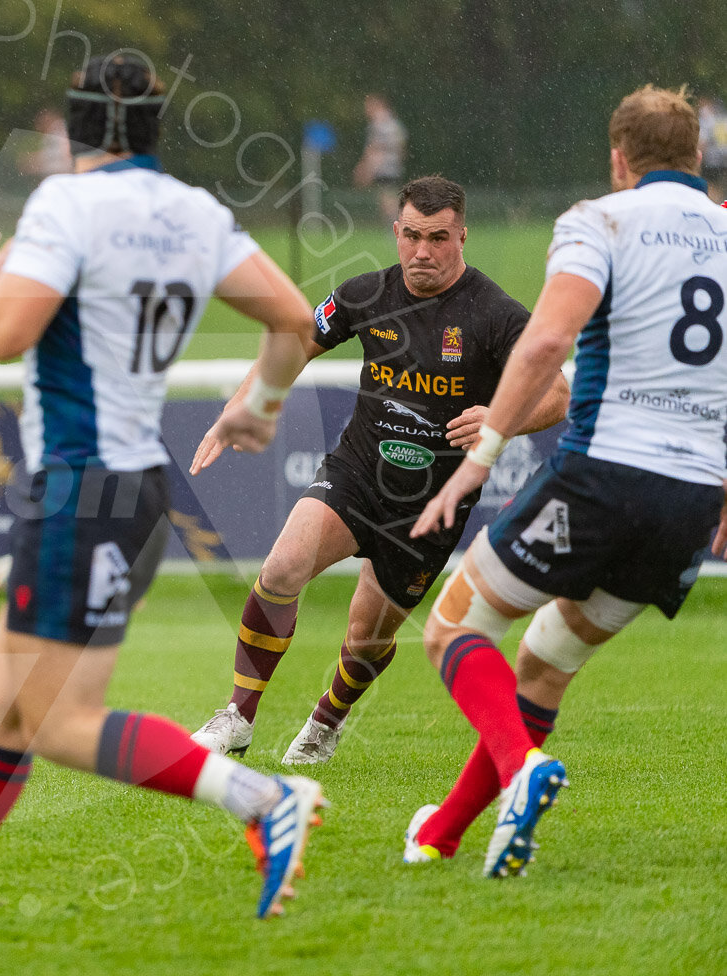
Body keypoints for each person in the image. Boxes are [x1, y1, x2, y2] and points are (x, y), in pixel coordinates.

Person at [0, 52, 325, 957]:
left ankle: (263, 798)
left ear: (75, 127)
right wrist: (261, 405)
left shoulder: (68, 205)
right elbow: (293, 319)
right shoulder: (196, 213)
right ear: (155, 128)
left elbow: (4, 330)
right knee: (4, 702)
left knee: (58, 722)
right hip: (122, 491)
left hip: (85, 493)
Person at [406, 85, 727, 878]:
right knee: (546, 660)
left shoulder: (601, 220)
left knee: (451, 628)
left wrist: (479, 460)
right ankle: (443, 833)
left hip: (607, 473)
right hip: (692, 498)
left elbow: (548, 338)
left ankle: (522, 771)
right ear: (697, 157)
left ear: (620, 160)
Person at [190, 176, 570, 765]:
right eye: (412, 236)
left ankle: (327, 719)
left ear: (462, 236)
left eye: (438, 238)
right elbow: (294, 343)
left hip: (431, 503)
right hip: (359, 472)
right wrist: (241, 408)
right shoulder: (366, 294)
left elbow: (558, 394)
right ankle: (237, 716)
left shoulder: (495, 314)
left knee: (367, 637)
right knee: (283, 567)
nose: (423, 251)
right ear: (396, 232)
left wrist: (500, 418)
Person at [354, 94, 407, 220]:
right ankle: (398, 226)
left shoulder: (379, 124)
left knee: (387, 199)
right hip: (393, 166)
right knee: (390, 197)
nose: (366, 110)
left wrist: (367, 169)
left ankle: (397, 226)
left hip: (385, 168)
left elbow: (375, 149)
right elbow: (401, 146)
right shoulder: (393, 123)